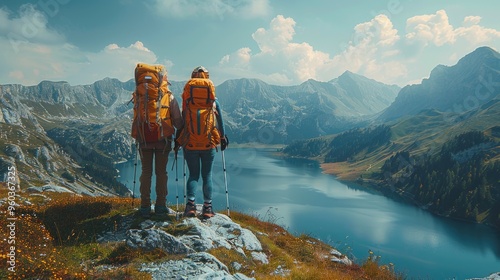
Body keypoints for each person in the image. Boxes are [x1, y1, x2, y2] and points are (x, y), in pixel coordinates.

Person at [175, 66, 229, 219]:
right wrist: (223, 138)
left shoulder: (187, 99)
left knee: (193, 175)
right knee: (207, 175)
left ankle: (190, 207)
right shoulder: (213, 101)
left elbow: (182, 120)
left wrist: (178, 139)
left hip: (190, 143)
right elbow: (221, 122)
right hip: (208, 143)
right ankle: (207, 208)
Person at [138, 75, 183, 218]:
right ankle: (160, 206)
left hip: (144, 140)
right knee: (161, 173)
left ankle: (145, 206)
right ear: (164, 82)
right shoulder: (169, 97)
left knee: (146, 172)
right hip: (163, 142)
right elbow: (178, 122)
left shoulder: (141, 95)